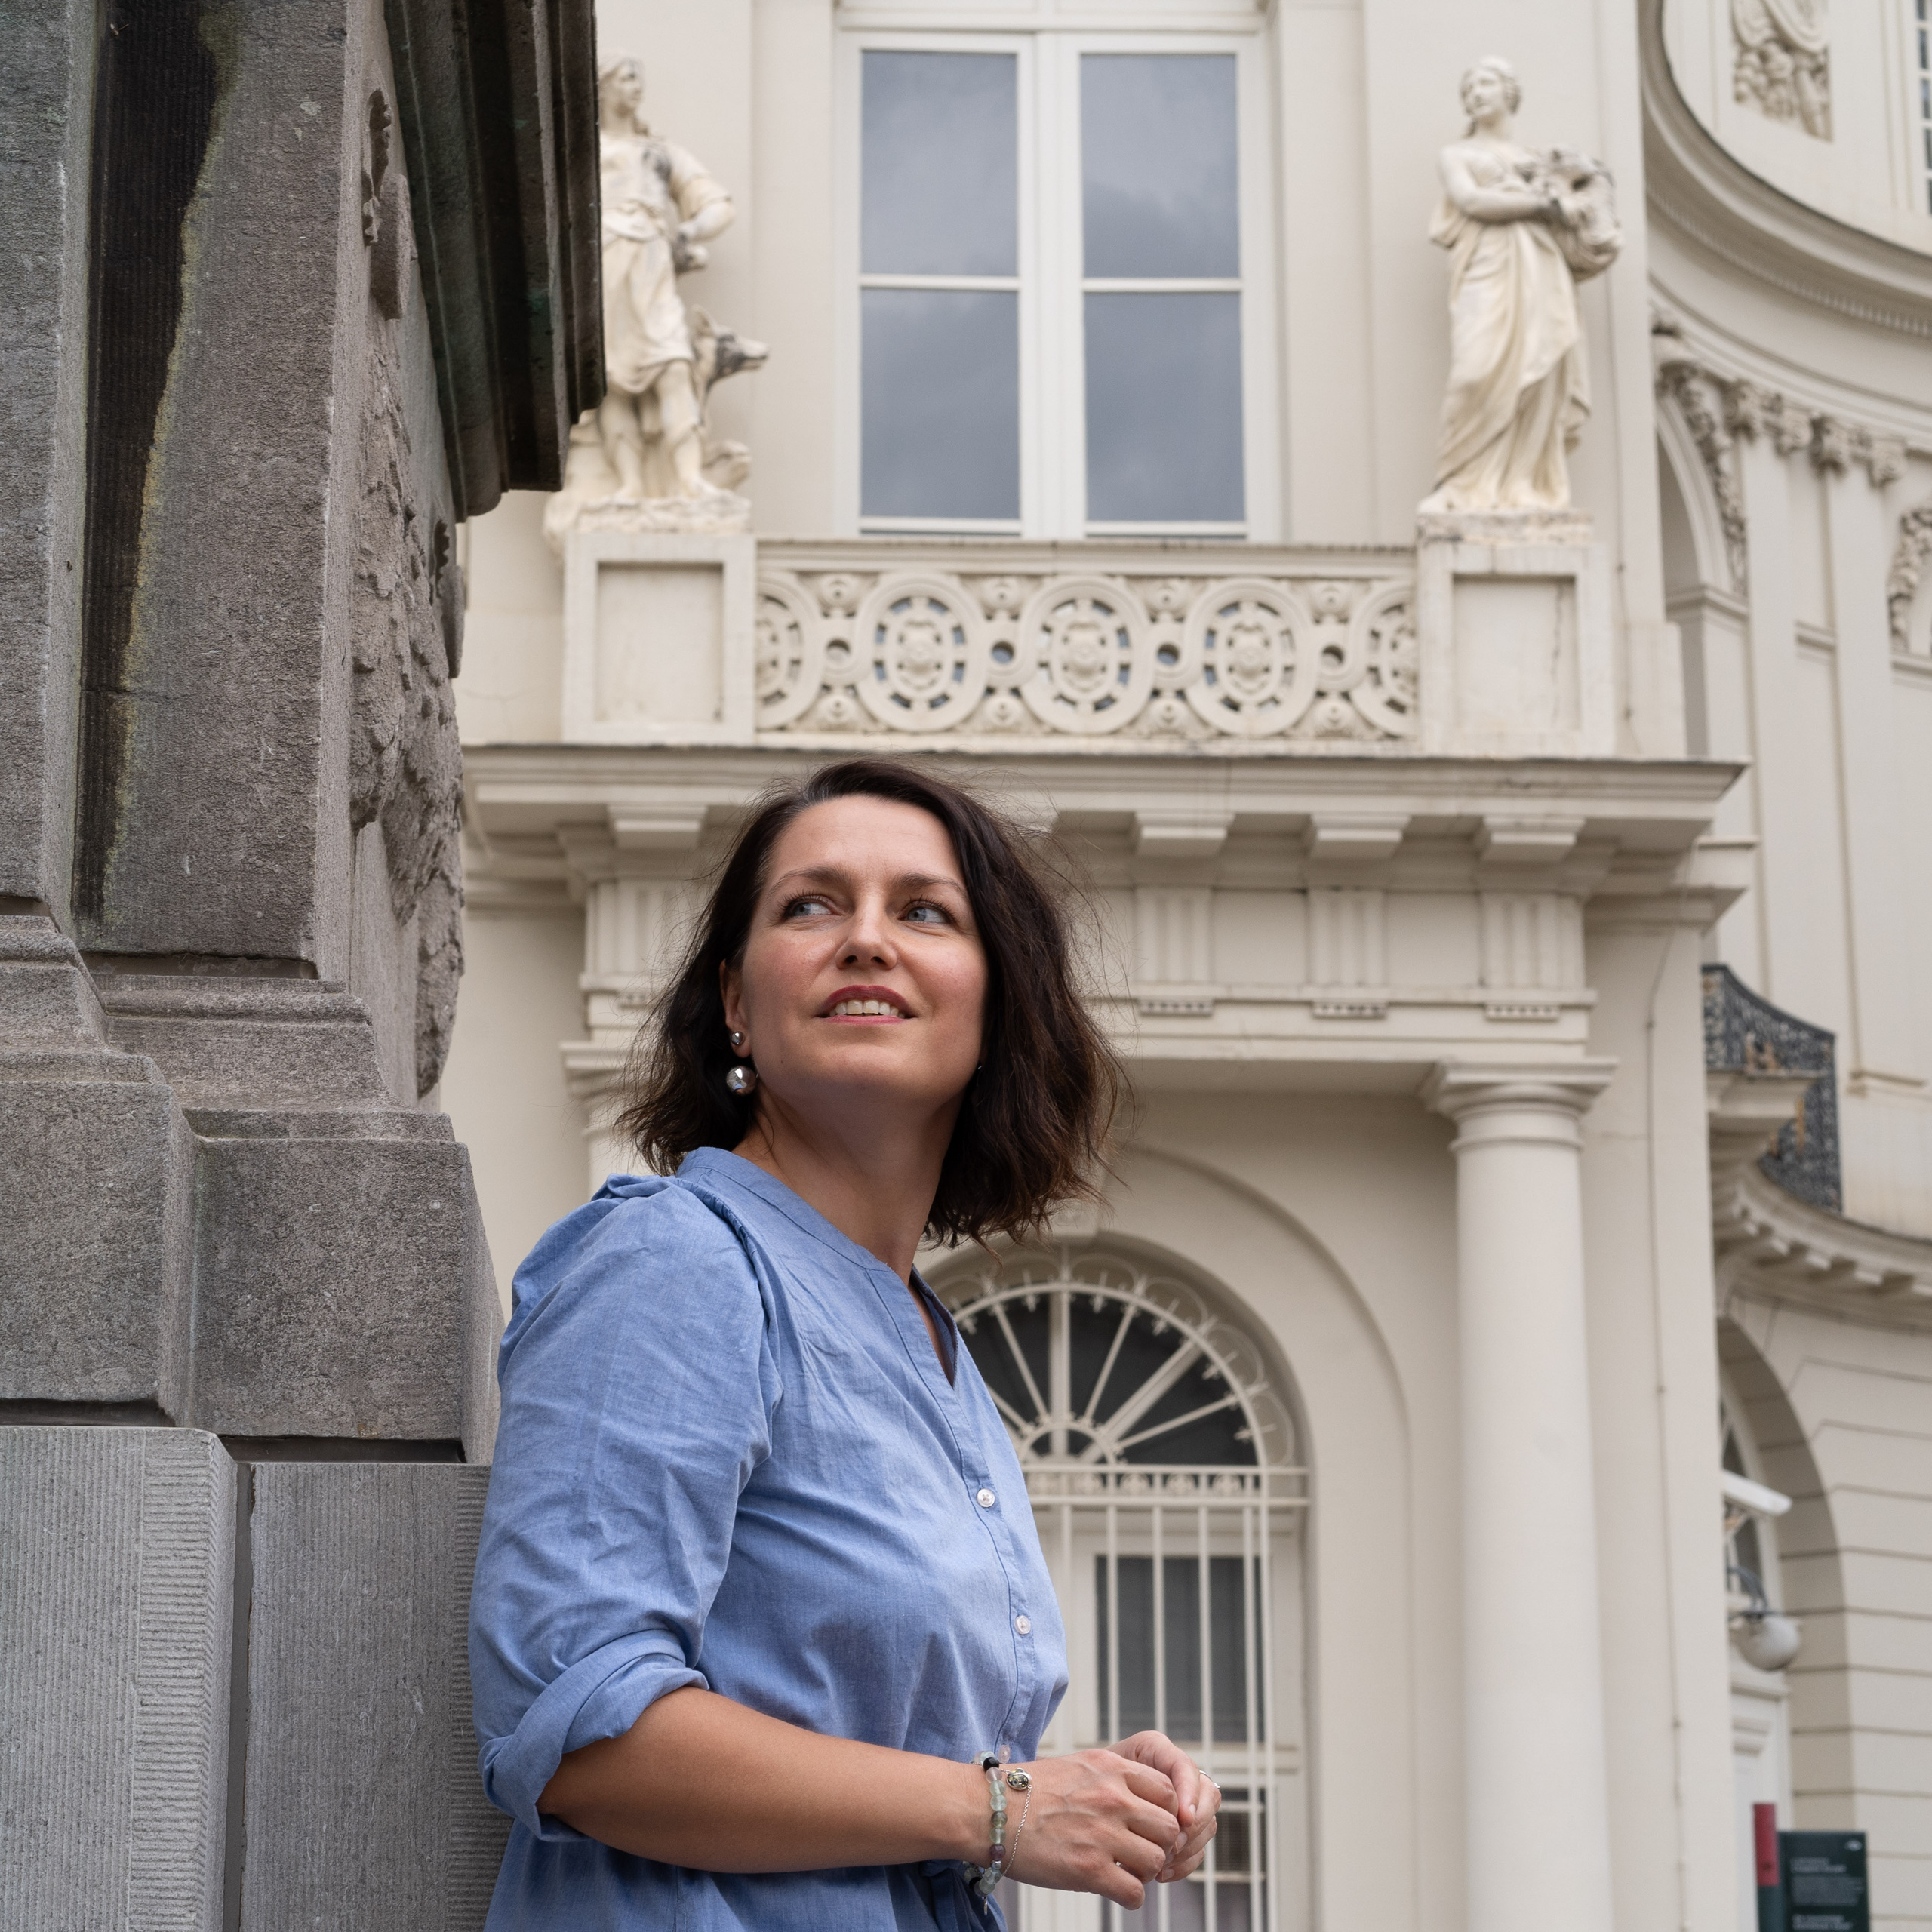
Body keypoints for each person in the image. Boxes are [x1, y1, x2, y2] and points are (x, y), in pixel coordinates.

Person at [469, 758, 1222, 1929]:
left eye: (924, 911)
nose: (866, 939)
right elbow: (580, 1729)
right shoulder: (677, 1263)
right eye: (811, 906)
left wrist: (1095, 1794)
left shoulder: (941, 1349)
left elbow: (877, 1758)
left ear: (995, 998)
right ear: (735, 1000)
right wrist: (999, 1805)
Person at [1422, 57, 1604, 513]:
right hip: (1487, 262)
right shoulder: (1458, 155)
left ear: (1509, 92)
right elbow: (1470, 200)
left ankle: (1523, 483)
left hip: (1540, 268)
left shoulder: (1537, 162)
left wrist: (1584, 188)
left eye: (1486, 83)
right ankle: (1462, 484)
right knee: (1475, 371)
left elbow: (1586, 208)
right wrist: (1543, 204)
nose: (1476, 93)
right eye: (1469, 89)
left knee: (1540, 367)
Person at [595, 56, 734, 500]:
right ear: (601, 87)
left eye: (639, 78)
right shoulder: (584, 148)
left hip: (652, 264)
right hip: (603, 263)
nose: (637, 86)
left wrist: (688, 231)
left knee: (675, 367)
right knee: (609, 380)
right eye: (626, 77)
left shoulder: (660, 152)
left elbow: (718, 204)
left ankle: (689, 480)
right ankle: (630, 484)